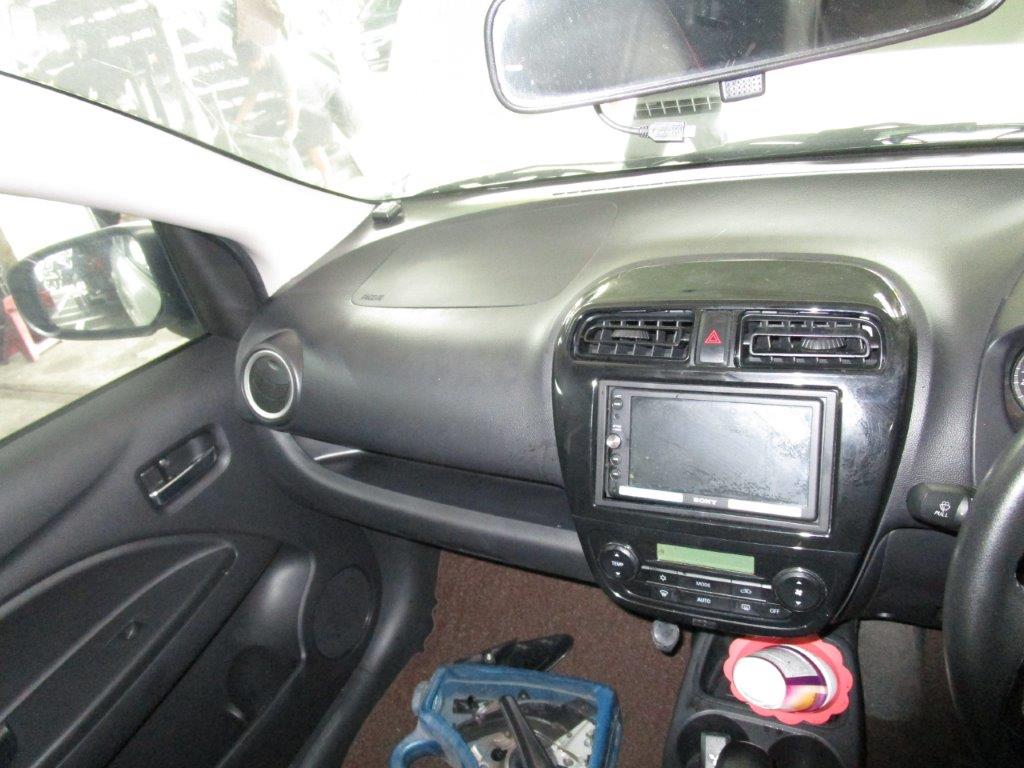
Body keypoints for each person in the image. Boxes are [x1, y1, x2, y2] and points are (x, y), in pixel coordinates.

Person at [233, 40, 358, 185]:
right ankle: (329, 179)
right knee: (312, 141)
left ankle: (361, 164)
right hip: (307, 101)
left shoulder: (279, 62)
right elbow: (251, 97)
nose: (252, 70)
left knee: (350, 130)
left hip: (327, 91)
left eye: (251, 65)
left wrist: (291, 129)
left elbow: (291, 98)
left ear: (257, 56)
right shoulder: (259, 70)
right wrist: (236, 123)